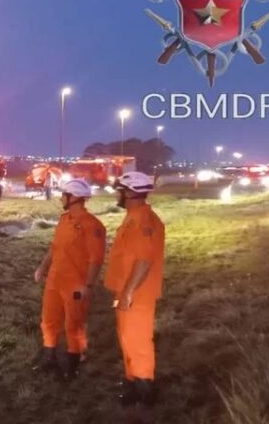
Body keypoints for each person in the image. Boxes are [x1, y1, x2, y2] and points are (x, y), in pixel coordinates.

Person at [33, 179, 106, 379]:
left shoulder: (93, 226)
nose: (61, 198)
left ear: (74, 197)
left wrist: (88, 285)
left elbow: (96, 259)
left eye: (64, 195)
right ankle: (49, 358)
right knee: (48, 320)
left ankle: (73, 365)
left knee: (74, 324)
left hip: (76, 284)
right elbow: (54, 248)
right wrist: (42, 268)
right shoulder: (64, 220)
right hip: (55, 280)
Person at [103, 172, 165, 406]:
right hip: (126, 291)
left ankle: (145, 390)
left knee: (138, 341)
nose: (118, 194)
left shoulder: (143, 220)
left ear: (129, 192)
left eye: (120, 190)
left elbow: (144, 260)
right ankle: (132, 383)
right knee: (127, 338)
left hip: (137, 294)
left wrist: (129, 292)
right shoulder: (133, 217)